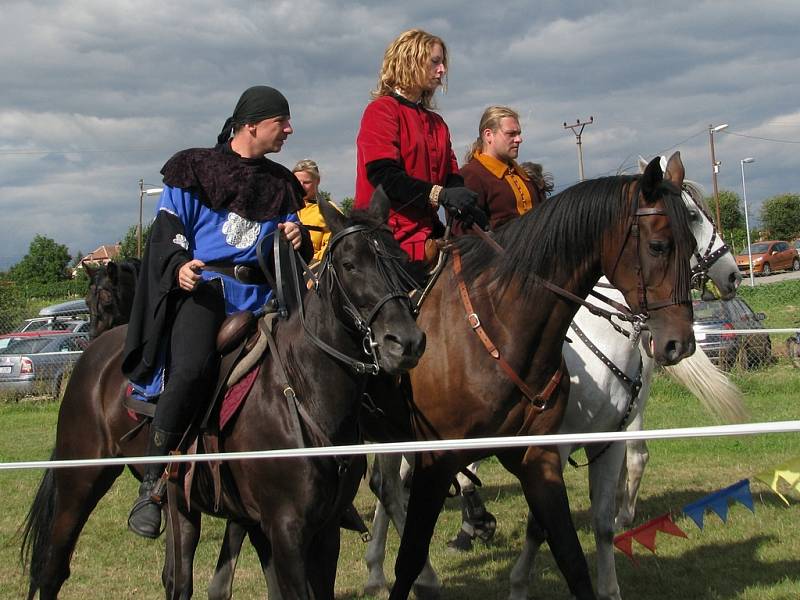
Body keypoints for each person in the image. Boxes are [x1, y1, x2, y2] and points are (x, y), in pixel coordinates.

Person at [122, 85, 312, 539]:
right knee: (190, 370)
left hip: (264, 297)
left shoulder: (282, 184)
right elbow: (169, 230)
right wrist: (178, 265)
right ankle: (152, 485)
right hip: (206, 292)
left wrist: (294, 240)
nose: (288, 129)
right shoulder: (193, 168)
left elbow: (284, 244)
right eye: (280, 121)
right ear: (251, 125)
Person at [354, 28, 487, 272]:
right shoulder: (382, 110)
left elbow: (451, 176)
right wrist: (441, 195)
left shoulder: (438, 124)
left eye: (443, 63)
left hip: (427, 232)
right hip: (385, 239)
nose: (442, 70)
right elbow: (383, 176)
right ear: (410, 61)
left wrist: (464, 204)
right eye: (435, 62)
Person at [454, 106, 542, 236]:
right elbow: (465, 233)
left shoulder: (524, 176)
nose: (519, 139)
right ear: (489, 135)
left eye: (519, 133)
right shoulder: (471, 175)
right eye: (511, 134)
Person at [293, 159, 335, 263]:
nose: (301, 186)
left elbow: (332, 244)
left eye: (307, 182)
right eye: (298, 182)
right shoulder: (284, 207)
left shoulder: (328, 210)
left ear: (317, 181)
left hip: (316, 266)